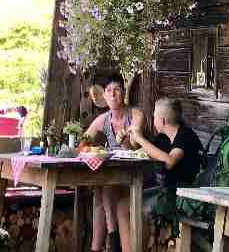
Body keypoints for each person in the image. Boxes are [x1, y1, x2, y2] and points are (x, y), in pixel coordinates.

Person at [128, 98, 203, 245]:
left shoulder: (185, 135)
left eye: (154, 116)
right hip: (168, 189)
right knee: (127, 202)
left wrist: (140, 138)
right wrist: (131, 137)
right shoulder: (163, 138)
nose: (153, 119)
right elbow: (144, 151)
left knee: (135, 205)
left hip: (186, 194)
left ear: (162, 121)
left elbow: (169, 161)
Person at [84, 73, 144, 252]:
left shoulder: (135, 114)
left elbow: (134, 145)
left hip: (137, 175)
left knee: (104, 191)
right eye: (108, 91)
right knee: (100, 194)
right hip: (114, 176)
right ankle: (108, 242)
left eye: (116, 90)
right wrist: (91, 149)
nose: (112, 94)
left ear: (123, 92)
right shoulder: (103, 119)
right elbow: (82, 143)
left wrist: (125, 139)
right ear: (104, 95)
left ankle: (112, 241)